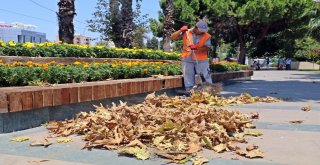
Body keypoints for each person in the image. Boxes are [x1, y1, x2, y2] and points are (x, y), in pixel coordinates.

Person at [171, 20, 212, 94]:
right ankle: (190, 92)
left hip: (201, 59)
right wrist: (180, 30)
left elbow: (207, 47)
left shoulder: (207, 35)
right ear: (196, 27)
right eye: (201, 31)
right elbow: (172, 37)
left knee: (206, 75)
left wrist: (196, 48)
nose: (203, 32)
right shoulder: (186, 32)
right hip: (187, 58)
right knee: (188, 76)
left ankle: (209, 91)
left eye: (204, 31)